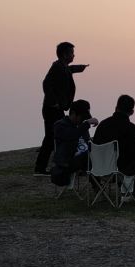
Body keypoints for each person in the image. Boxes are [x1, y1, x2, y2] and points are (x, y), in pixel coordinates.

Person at [35, 42, 90, 176]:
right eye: (71, 53)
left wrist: (79, 68)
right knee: (52, 137)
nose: (73, 55)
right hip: (52, 109)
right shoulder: (57, 67)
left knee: (53, 136)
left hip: (56, 108)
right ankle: (41, 168)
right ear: (65, 54)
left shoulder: (62, 66)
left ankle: (46, 166)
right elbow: (46, 83)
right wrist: (53, 102)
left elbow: (68, 70)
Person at [50, 100, 97, 186]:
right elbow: (71, 135)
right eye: (82, 117)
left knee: (107, 153)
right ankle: (98, 188)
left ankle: (120, 187)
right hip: (68, 161)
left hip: (86, 158)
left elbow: (88, 143)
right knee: (88, 157)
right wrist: (86, 124)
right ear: (73, 113)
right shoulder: (60, 125)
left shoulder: (82, 126)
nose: (83, 120)